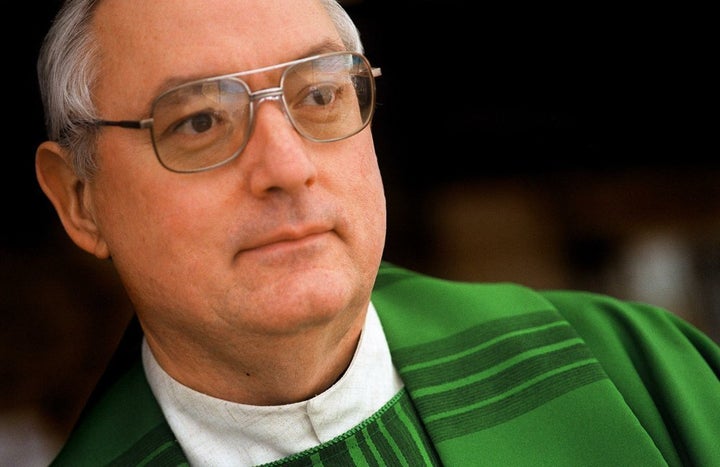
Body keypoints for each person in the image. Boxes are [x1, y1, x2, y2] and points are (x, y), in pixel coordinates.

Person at [34, 0, 719, 465]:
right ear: (81, 200)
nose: (288, 166)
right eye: (199, 122)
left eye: (321, 95)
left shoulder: (635, 370)